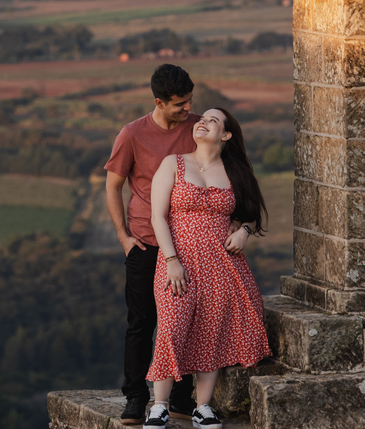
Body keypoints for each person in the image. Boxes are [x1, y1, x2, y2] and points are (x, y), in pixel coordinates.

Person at [142, 107, 271, 429]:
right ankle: (159, 405)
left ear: (226, 135)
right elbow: (157, 217)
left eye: (213, 120)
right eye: (202, 118)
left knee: (210, 332)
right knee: (171, 327)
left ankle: (202, 407)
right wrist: (171, 260)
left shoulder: (235, 172)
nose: (203, 121)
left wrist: (244, 231)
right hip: (178, 261)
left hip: (221, 264)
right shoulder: (174, 163)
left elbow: (251, 214)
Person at [105, 64, 200, 424]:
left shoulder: (197, 127)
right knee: (142, 323)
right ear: (158, 102)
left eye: (189, 101)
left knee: (184, 321)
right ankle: (134, 397)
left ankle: (179, 397)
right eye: (179, 104)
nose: (187, 109)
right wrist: (123, 237)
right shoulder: (132, 134)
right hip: (145, 244)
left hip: (189, 242)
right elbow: (113, 187)